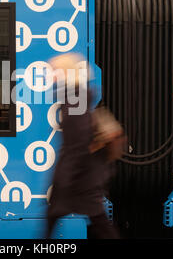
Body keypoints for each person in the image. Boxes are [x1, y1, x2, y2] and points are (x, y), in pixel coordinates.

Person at [45, 53, 119, 239]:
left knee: (98, 222)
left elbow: (78, 143)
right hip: (82, 174)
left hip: (79, 176)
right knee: (96, 221)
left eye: (55, 71)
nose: (51, 76)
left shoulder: (75, 99)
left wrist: (64, 178)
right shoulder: (75, 97)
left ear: (66, 73)